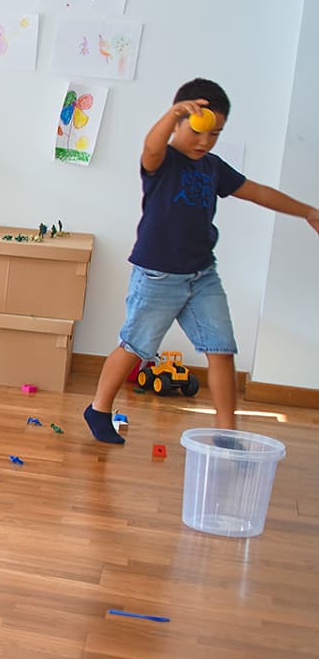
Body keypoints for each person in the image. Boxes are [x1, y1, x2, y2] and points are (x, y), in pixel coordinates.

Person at [85, 78, 319, 441]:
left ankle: (227, 434)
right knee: (135, 347)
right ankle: (99, 409)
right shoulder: (162, 162)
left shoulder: (213, 167)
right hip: (158, 276)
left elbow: (256, 192)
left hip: (202, 276)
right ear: (178, 123)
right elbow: (150, 146)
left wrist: (307, 212)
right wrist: (173, 113)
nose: (205, 142)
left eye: (215, 134)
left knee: (222, 350)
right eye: (197, 131)